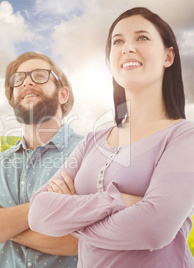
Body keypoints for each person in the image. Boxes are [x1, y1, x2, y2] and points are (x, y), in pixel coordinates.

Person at [29, 7, 194, 268]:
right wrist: (119, 201)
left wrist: (71, 218)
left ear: (168, 55)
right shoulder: (92, 140)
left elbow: (153, 229)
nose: (127, 48)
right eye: (118, 41)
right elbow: (38, 212)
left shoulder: (185, 137)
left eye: (142, 38)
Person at [0, 52, 83, 267]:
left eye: (40, 75)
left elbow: (79, 241)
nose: (27, 81)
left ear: (63, 94)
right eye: (19, 79)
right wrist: (50, 206)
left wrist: (0, 225)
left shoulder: (88, 152)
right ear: (13, 100)